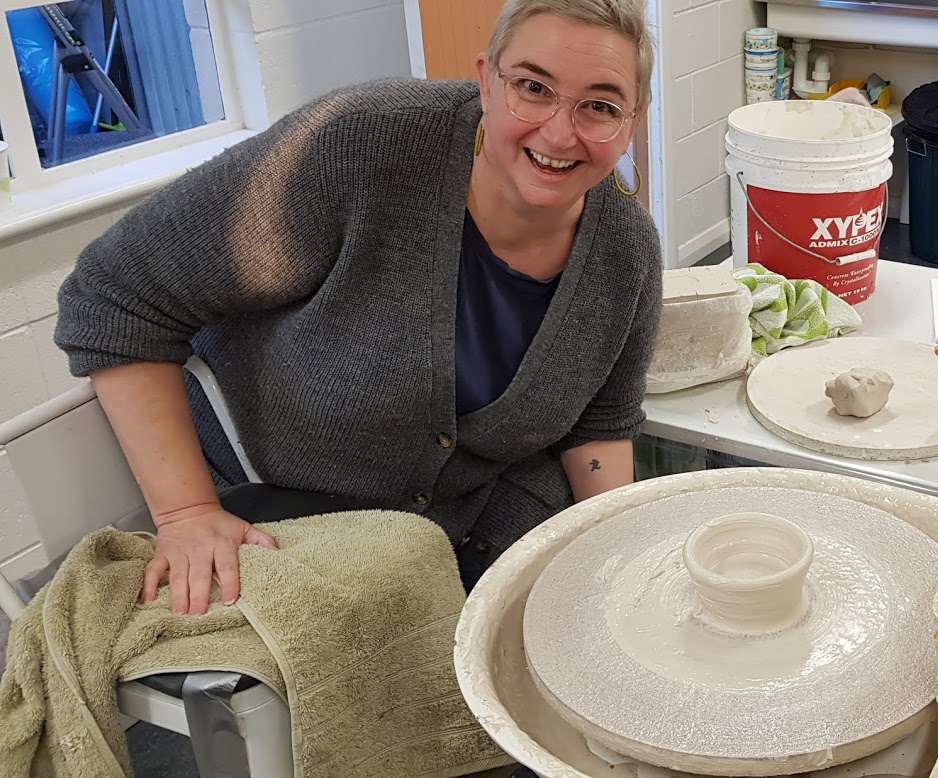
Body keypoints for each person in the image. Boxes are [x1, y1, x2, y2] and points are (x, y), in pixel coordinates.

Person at [54, 0, 662, 614]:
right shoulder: (362, 145)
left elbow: (599, 428)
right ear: (485, 79)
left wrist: (615, 564)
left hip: (465, 524)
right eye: (532, 87)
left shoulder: (626, 250)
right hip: (275, 514)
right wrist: (186, 513)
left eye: (600, 106)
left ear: (633, 120)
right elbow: (112, 295)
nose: (559, 133)